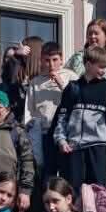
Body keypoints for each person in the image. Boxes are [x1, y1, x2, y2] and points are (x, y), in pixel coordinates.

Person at [52, 45, 106, 189]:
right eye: (101, 67)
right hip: (74, 148)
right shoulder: (72, 88)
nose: (104, 70)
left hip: (98, 148)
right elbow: (62, 117)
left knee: (98, 191)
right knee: (73, 191)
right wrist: (61, 140)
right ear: (88, 64)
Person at [25, 41, 73, 180]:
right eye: (47, 60)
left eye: (55, 60)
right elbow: (29, 110)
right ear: (41, 61)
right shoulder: (35, 82)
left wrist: (61, 84)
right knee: (47, 174)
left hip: (66, 133)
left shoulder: (71, 76)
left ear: (61, 59)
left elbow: (77, 101)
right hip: (45, 134)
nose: (51, 65)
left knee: (67, 174)